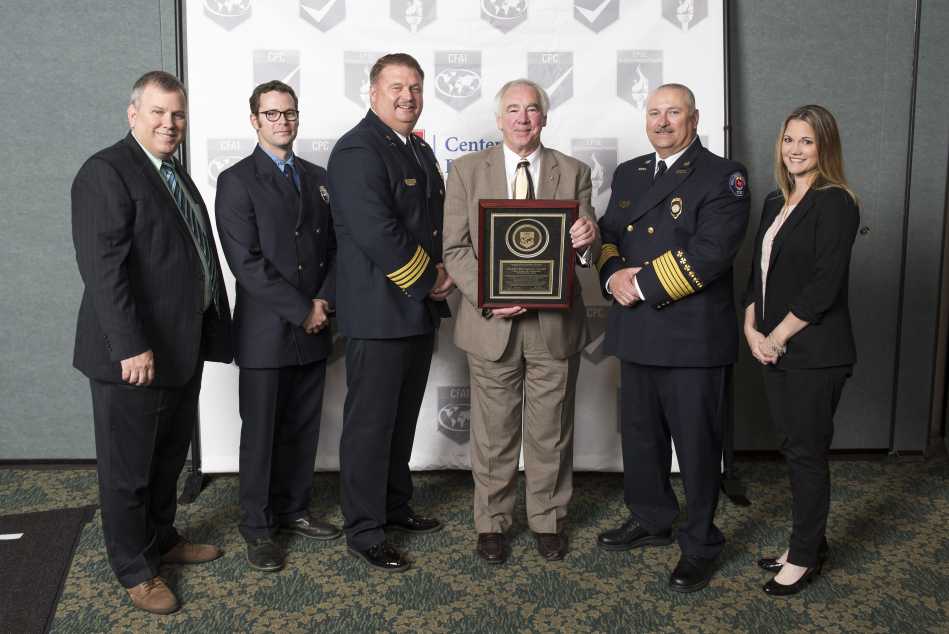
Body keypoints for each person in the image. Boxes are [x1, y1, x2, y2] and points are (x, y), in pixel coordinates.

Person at [71, 71, 233, 614]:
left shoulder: (173, 174)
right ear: (133, 113)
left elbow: (192, 256)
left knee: (165, 459)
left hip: (178, 348)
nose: (170, 123)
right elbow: (104, 271)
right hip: (134, 354)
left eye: (178, 114)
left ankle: (161, 538)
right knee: (128, 470)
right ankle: (135, 569)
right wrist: (129, 346)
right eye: (159, 112)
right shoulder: (107, 172)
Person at [595, 83, 750, 592]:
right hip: (637, 331)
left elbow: (710, 254)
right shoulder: (630, 173)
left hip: (691, 338)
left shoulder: (723, 176)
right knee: (641, 438)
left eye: (674, 113)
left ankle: (702, 542)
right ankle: (652, 517)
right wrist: (612, 271)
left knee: (698, 445)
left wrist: (636, 283)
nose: (662, 122)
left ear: (695, 118)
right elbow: (609, 234)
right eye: (654, 113)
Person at [442, 79, 599, 563]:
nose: (523, 118)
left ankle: (548, 519)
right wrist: (488, 297)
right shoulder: (467, 171)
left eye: (532, 109)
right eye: (513, 109)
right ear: (499, 118)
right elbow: (454, 248)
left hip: (553, 325)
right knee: (493, 432)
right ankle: (492, 524)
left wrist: (589, 237)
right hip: (492, 323)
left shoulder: (573, 172)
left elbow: (586, 251)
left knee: (551, 430)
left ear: (545, 118)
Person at [327, 53, 454, 572]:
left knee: (401, 421)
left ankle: (394, 506)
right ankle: (364, 529)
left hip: (415, 313)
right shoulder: (357, 149)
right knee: (370, 426)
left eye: (416, 87)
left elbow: (434, 221)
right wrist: (431, 280)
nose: (408, 96)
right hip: (380, 313)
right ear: (373, 92)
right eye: (397, 86)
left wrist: (451, 268)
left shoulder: (418, 149)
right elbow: (378, 231)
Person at [215, 80, 341, 573]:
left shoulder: (317, 176)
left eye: (289, 113)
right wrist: (301, 308)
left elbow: (336, 249)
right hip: (266, 332)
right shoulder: (236, 179)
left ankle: (294, 509)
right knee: (262, 432)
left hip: (316, 323)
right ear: (254, 121)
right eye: (271, 114)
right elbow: (245, 263)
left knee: (303, 428)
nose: (282, 121)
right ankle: (259, 527)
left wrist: (325, 300)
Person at [742, 105, 859, 596]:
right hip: (773, 347)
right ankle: (809, 540)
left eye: (807, 141)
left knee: (807, 455)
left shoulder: (836, 203)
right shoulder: (776, 201)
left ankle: (805, 555)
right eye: (789, 139)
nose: (795, 149)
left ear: (824, 147)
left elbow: (822, 287)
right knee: (793, 449)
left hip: (814, 351)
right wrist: (751, 329)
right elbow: (758, 275)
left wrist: (778, 336)